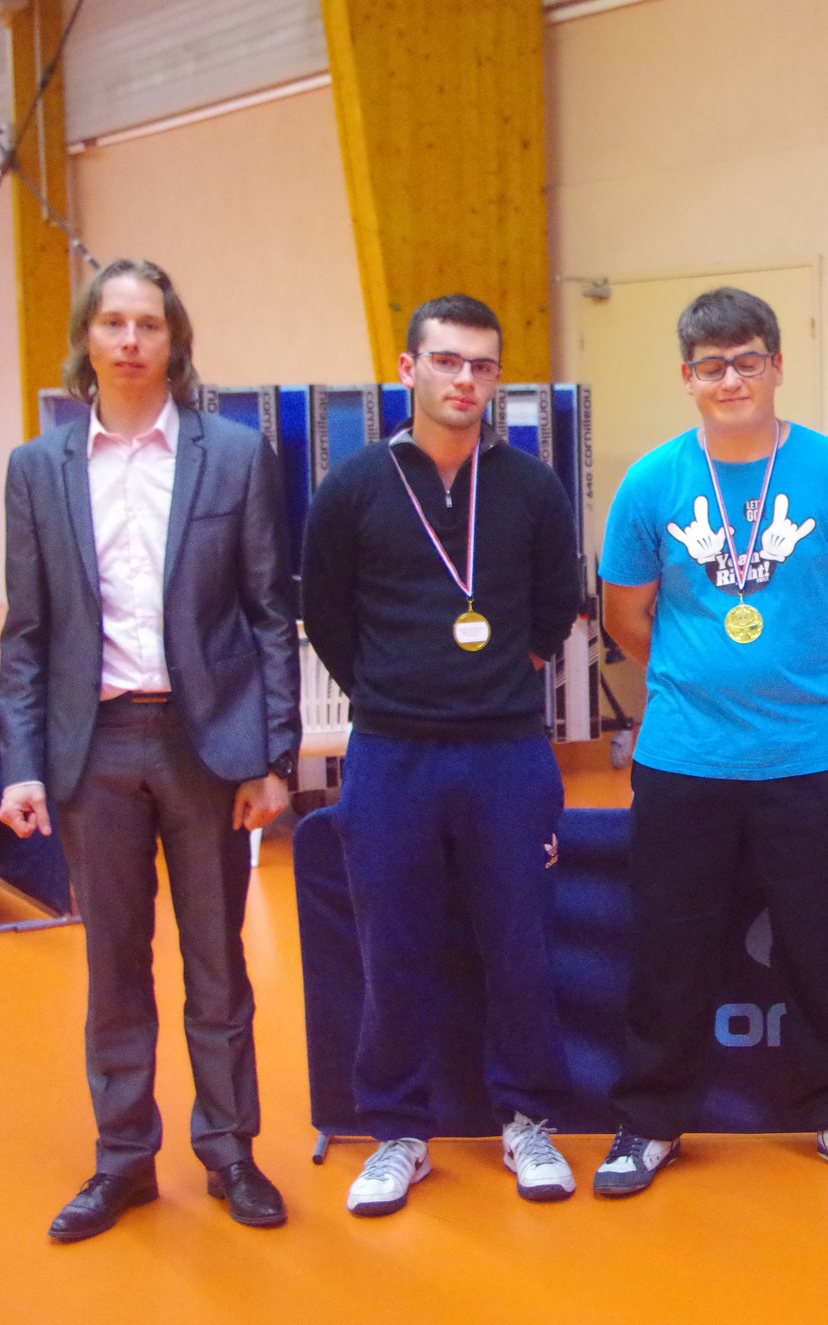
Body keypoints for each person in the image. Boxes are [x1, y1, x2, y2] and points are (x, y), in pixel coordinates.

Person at [0, 259, 300, 1241]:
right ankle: (123, 1159)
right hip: (93, 751)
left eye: (149, 324)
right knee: (114, 966)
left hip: (204, 747)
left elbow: (269, 611)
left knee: (218, 964)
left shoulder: (235, 456)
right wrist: (23, 761)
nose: (131, 340)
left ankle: (230, 1151)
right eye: (113, 323)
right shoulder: (37, 468)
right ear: (86, 340)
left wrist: (273, 757)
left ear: (175, 341)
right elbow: (26, 632)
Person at [594, 286, 828, 1196]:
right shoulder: (653, 480)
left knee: (821, 943)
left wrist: (812, 685)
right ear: (687, 376)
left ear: (776, 364)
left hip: (812, 756)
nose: (731, 380)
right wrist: (694, 683)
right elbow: (624, 615)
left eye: (747, 361)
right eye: (712, 366)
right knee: (670, 946)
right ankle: (650, 1120)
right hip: (684, 757)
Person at [301, 294, 582, 1216]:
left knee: (520, 941)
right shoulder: (353, 486)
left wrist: (502, 675)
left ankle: (529, 1118)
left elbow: (555, 604)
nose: (466, 380)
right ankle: (397, 1130)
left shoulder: (532, 486)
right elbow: (327, 614)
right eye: (448, 360)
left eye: (483, 365)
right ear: (407, 367)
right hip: (393, 752)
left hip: (507, 751)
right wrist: (392, 687)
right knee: (394, 946)